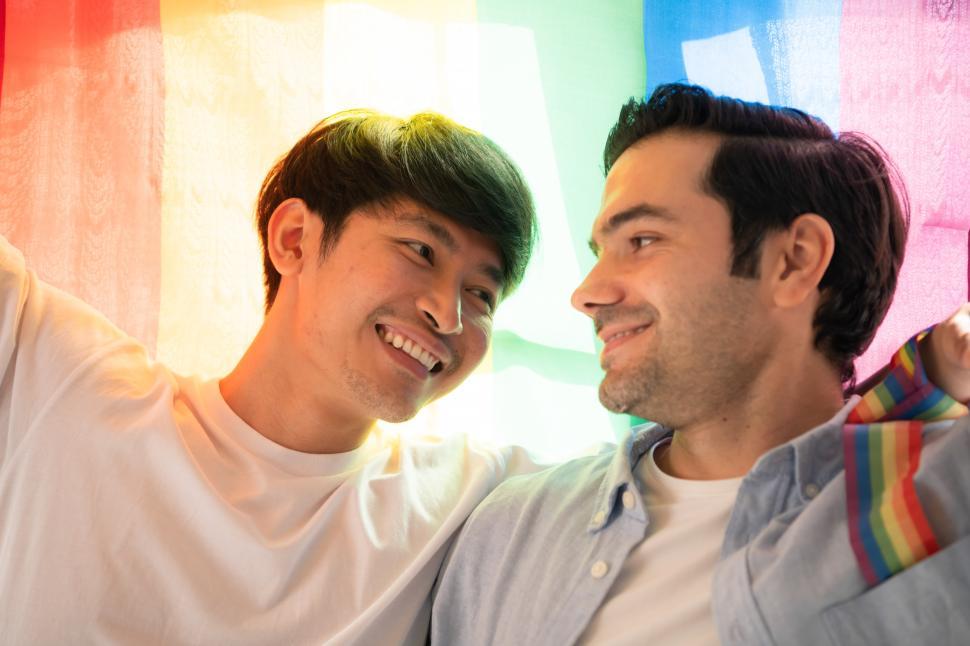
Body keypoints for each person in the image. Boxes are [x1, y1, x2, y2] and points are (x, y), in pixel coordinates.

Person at [430, 83, 970, 646]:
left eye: (642, 239)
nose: (586, 293)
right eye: (599, 252)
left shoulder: (942, 499)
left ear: (794, 260)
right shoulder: (508, 530)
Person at [0, 110, 539, 644]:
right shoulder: (57, 374)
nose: (449, 315)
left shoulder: (471, 495)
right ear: (294, 238)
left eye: (481, 295)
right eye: (421, 251)